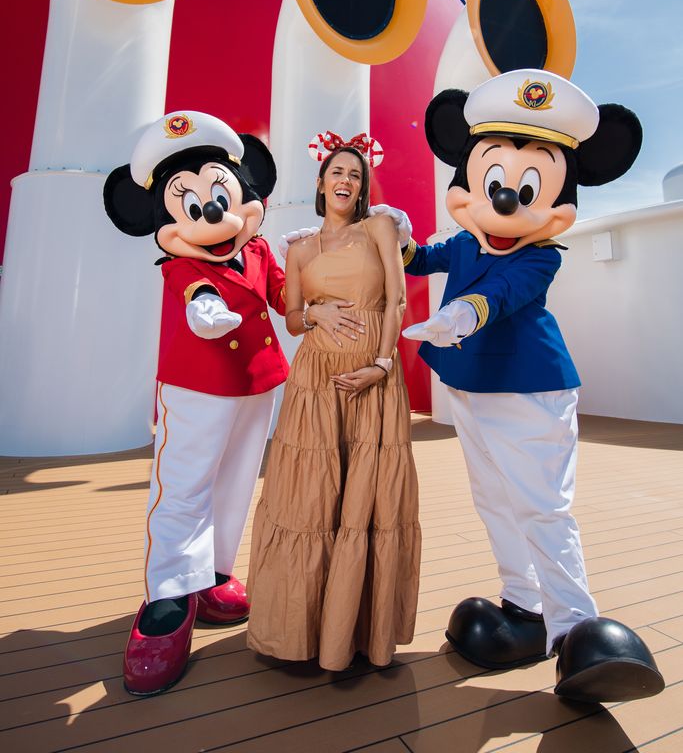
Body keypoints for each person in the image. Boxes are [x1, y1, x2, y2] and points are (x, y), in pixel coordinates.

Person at [400, 70, 664, 704]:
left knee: (542, 507)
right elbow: (418, 257)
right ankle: (524, 606)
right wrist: (393, 230)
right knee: (494, 499)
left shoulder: (539, 254)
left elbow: (503, 293)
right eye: (494, 183)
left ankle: (577, 630)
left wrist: (458, 316)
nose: (507, 202)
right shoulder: (464, 240)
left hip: (527, 392)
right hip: (471, 388)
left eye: (527, 188)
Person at [103, 111, 288, 695]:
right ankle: (168, 598)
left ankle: (211, 572)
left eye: (222, 196)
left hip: (256, 382)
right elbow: (196, 292)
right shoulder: (181, 263)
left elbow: (286, 295)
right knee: (183, 487)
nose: (213, 215)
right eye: (191, 204)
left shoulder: (258, 251)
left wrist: (324, 268)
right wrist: (206, 311)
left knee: (235, 481)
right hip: (196, 386)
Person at [247, 134, 421, 670]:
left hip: (374, 378)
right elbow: (293, 318)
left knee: (367, 501)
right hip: (315, 381)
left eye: (355, 175)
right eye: (337, 173)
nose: (346, 181)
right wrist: (316, 316)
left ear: (362, 187)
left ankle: (360, 635)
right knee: (312, 500)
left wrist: (383, 364)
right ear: (320, 183)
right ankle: (300, 632)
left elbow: (395, 298)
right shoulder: (298, 248)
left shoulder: (379, 228)